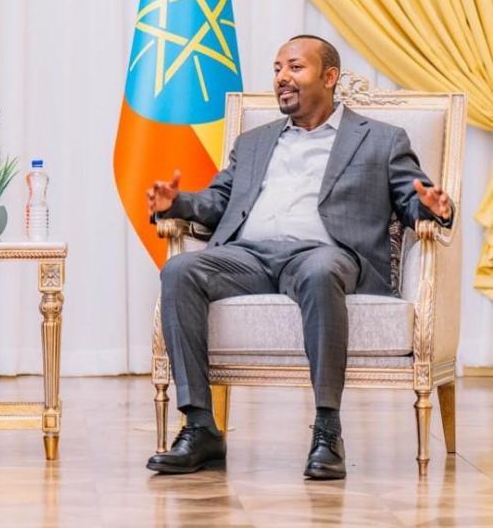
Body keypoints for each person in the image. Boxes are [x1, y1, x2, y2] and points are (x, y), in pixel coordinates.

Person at [145, 35, 453, 480]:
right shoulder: (254, 142)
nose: (282, 78)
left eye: (294, 67)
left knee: (320, 270)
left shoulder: (381, 139)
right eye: (276, 69)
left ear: (329, 77)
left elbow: (412, 198)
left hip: (325, 254)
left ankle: (327, 430)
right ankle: (200, 428)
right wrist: (175, 203)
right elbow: (217, 202)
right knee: (180, 269)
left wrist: (434, 208)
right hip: (248, 256)